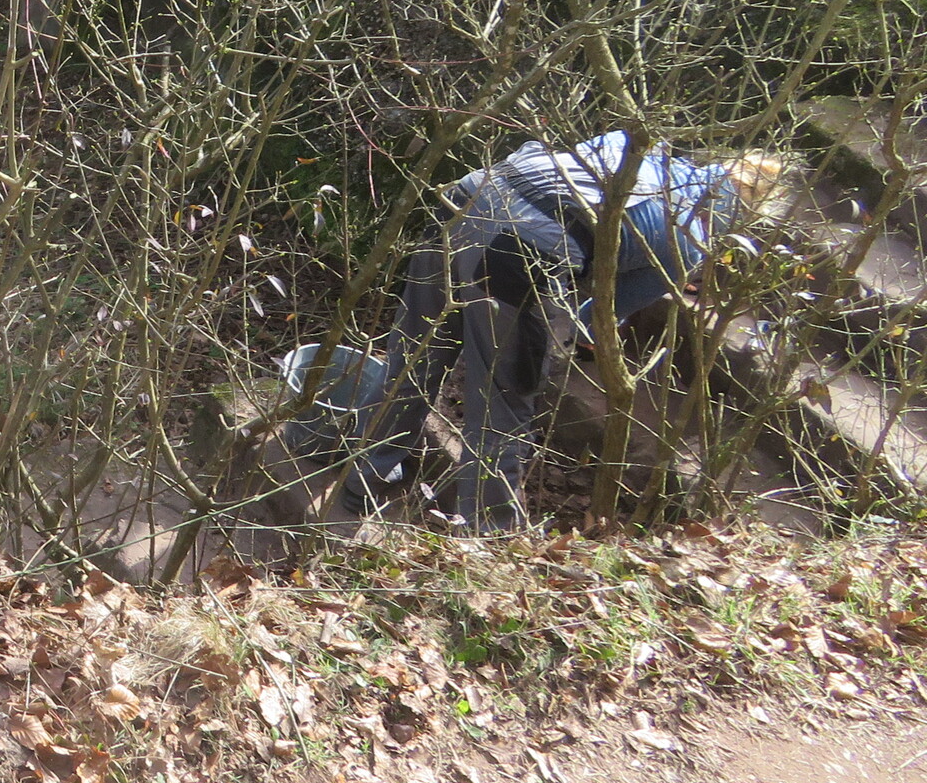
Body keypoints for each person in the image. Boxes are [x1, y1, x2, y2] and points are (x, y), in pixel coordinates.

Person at [311, 134, 785, 530]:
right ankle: (486, 537)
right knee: (502, 405)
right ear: (745, 213)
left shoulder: (634, 146)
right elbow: (594, 320)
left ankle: (360, 484)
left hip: (468, 196)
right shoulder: (691, 236)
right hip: (516, 253)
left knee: (415, 357)